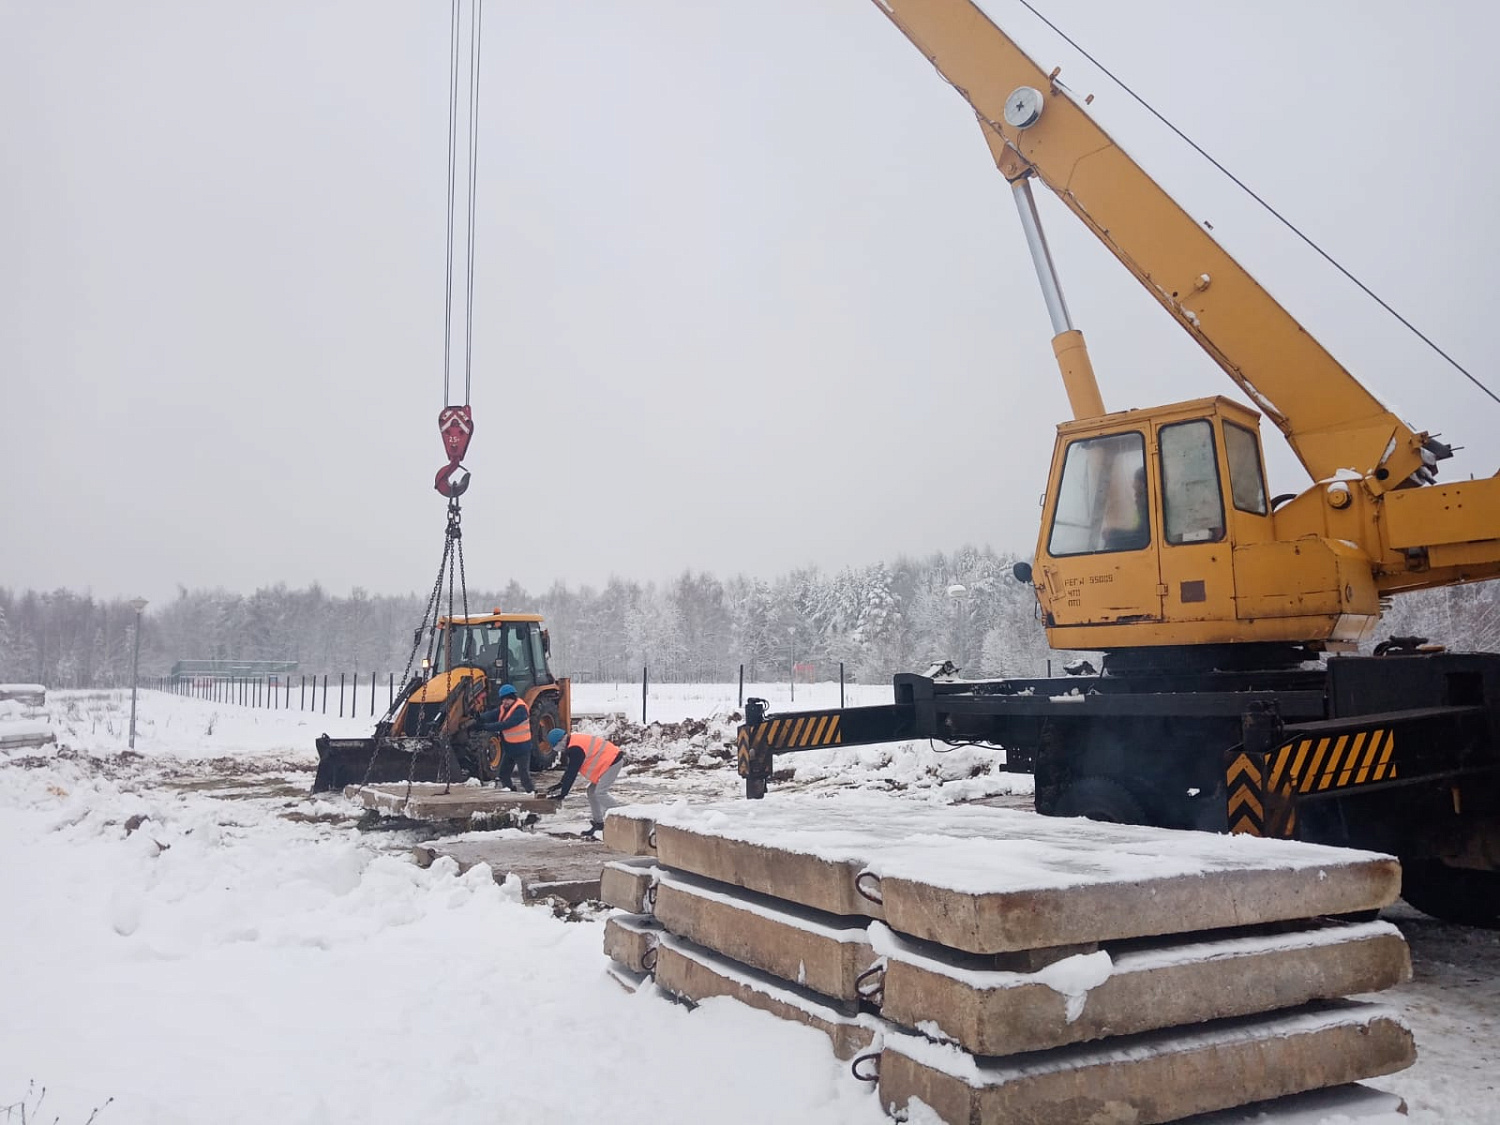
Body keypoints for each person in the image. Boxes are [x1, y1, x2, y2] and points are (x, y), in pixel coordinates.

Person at [543, 728, 625, 838]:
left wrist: (563, 793)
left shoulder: (575, 749)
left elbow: (572, 772)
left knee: (600, 792)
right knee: (591, 791)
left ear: (560, 742)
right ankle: (599, 823)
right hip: (608, 762)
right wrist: (560, 784)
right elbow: (569, 771)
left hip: (613, 761)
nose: (558, 750)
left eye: (555, 746)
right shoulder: (573, 742)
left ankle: (625, 817)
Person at [477, 683, 535, 793]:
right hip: (510, 748)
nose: (505, 702)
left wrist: (484, 727)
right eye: (503, 700)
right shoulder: (504, 708)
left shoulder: (520, 710)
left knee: (524, 777)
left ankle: (532, 794)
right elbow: (492, 715)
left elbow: (506, 724)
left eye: (507, 699)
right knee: (503, 775)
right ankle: (511, 792)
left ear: (513, 698)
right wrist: (478, 718)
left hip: (522, 749)